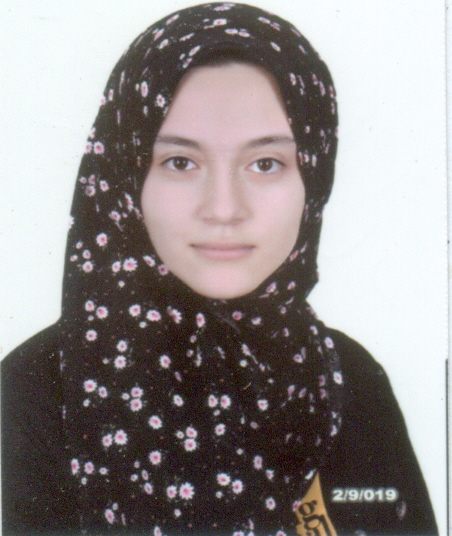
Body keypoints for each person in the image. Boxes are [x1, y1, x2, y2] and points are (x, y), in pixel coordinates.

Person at [1, 3, 438, 535]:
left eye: (265, 164)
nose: (225, 209)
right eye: (180, 162)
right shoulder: (37, 391)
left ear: (314, 176)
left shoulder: (348, 382)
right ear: (126, 175)